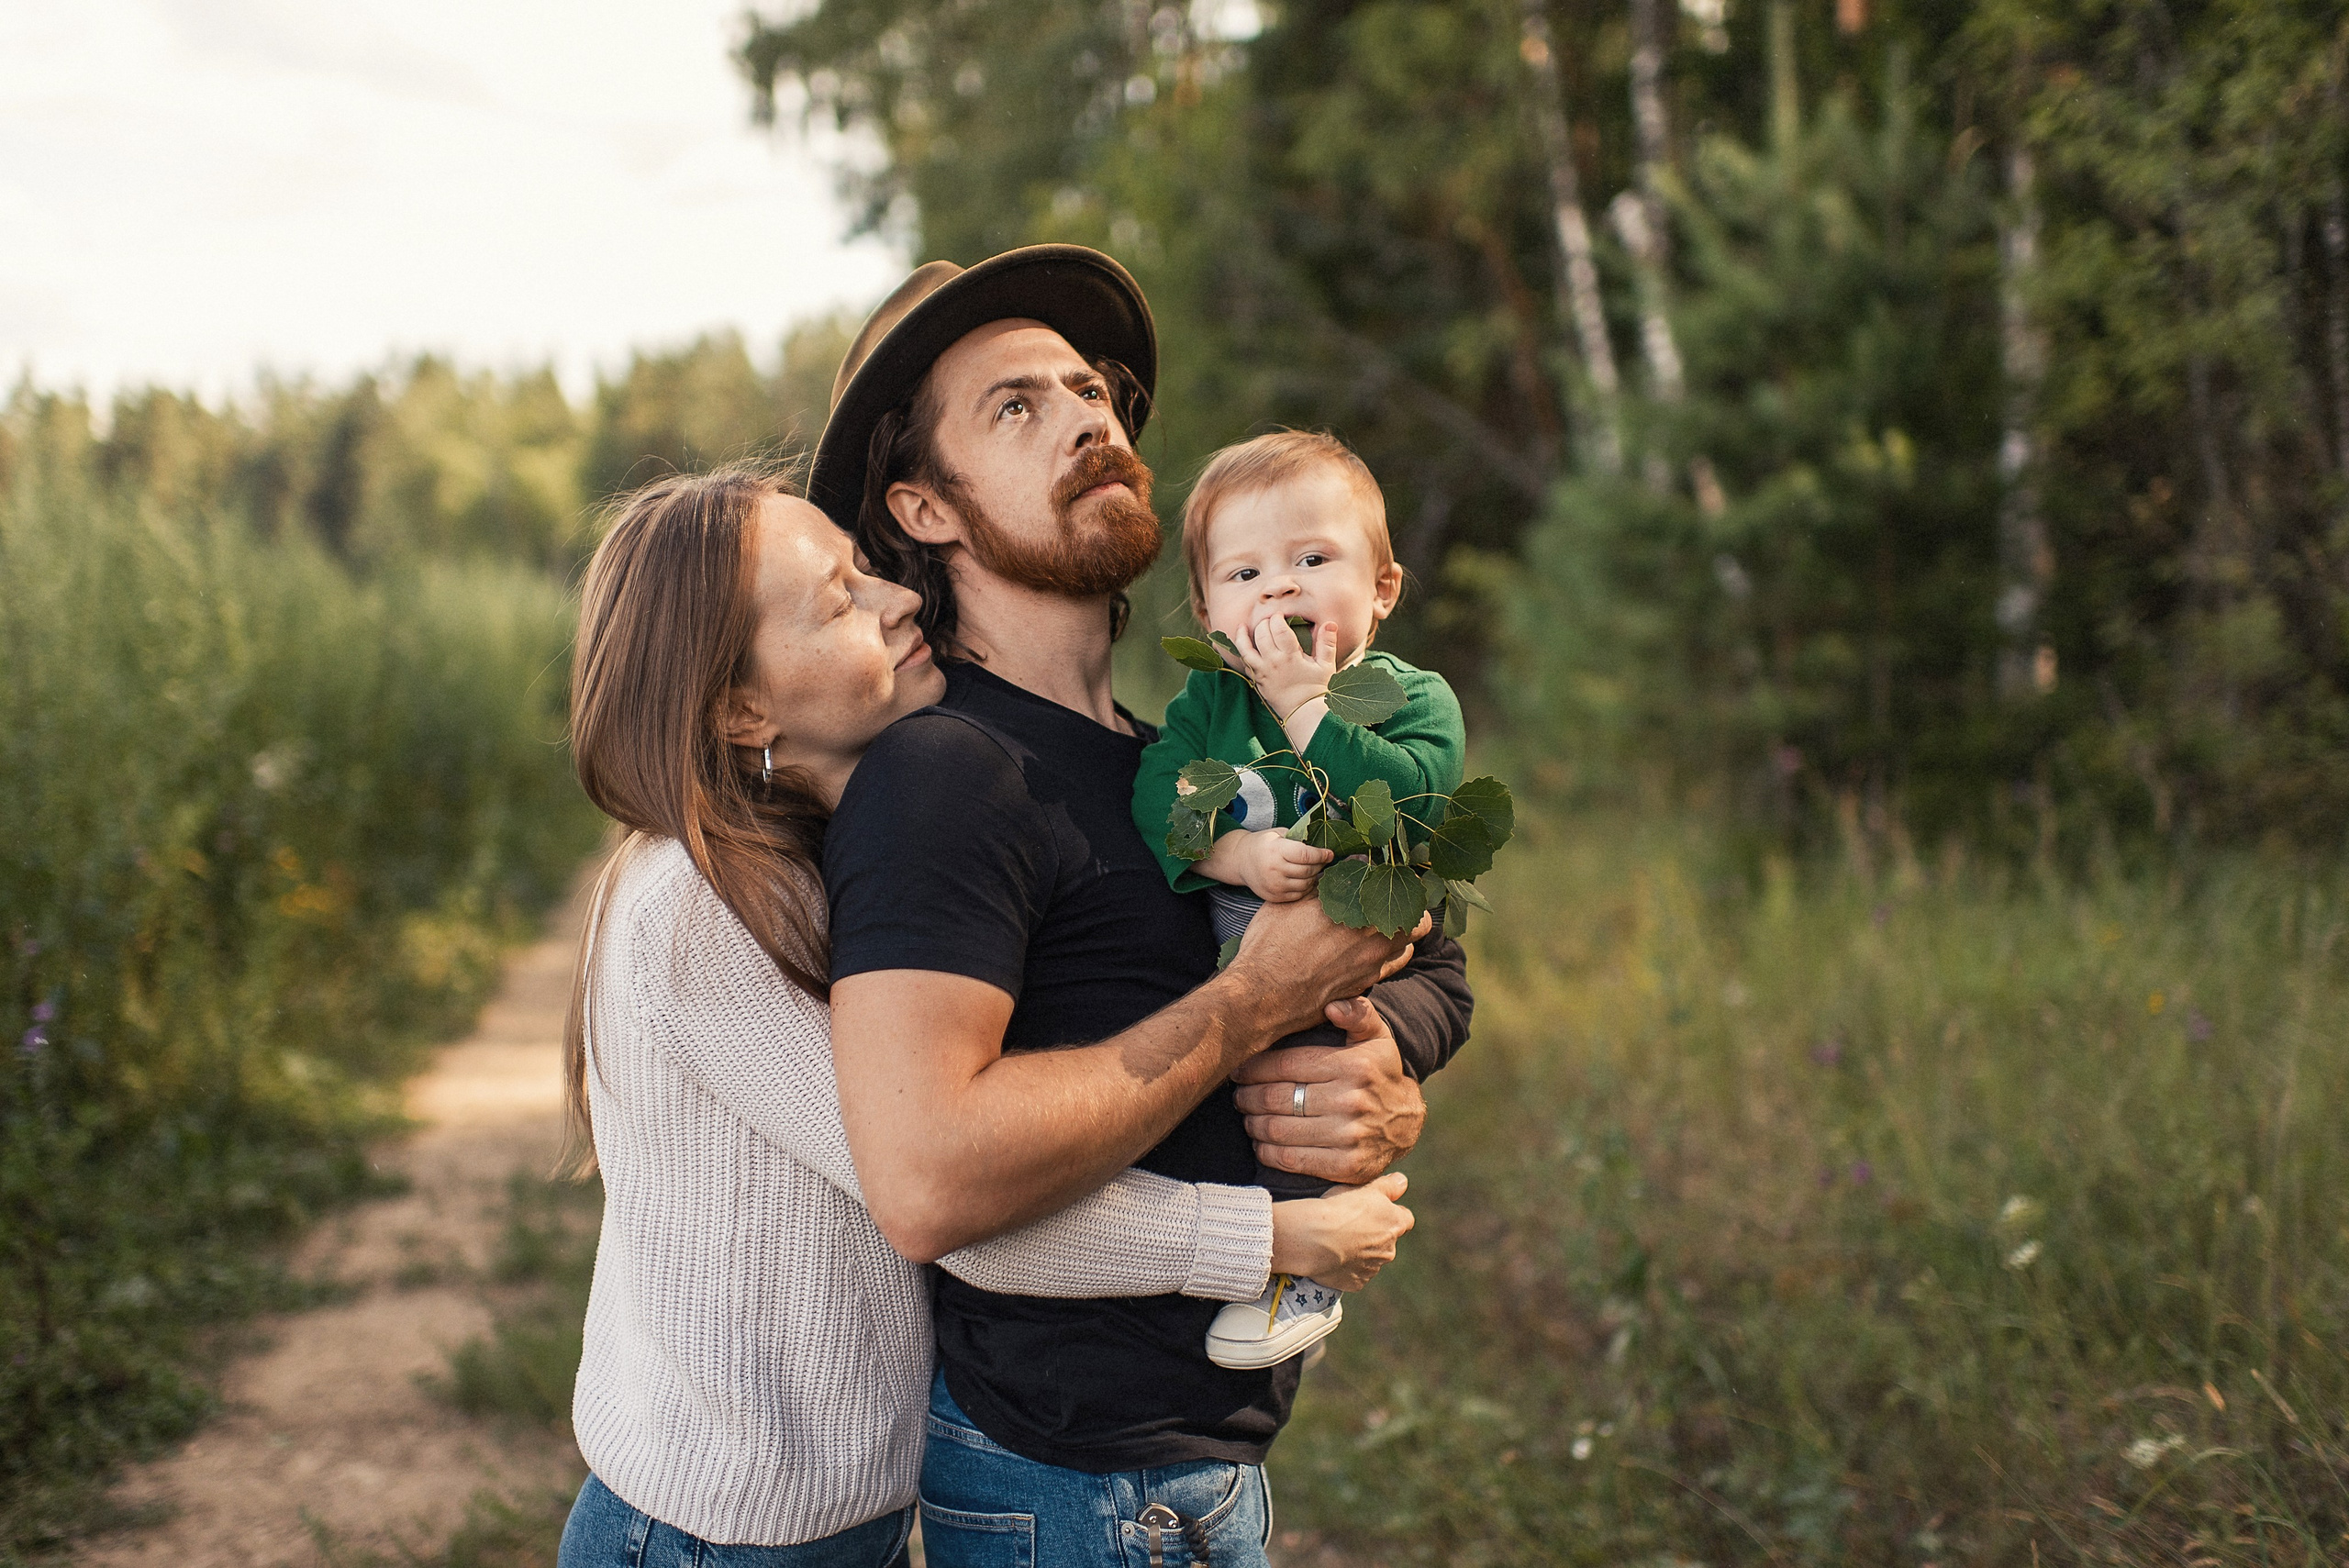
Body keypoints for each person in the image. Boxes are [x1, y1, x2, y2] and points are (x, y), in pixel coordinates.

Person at [553, 468, 1422, 1567]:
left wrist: (1372, 1054)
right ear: (741, 707)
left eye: (867, 569)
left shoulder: (830, 858)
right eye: (839, 599)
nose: (898, 599)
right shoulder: (693, 908)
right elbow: (957, 1203)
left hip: (837, 1517)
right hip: (707, 1532)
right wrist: (1268, 1236)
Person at [808, 244, 1475, 1567]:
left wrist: (1387, 1055)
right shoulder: (944, 779)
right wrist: (1251, 1006)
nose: (1088, 415)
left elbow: (1418, 942)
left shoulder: (1175, 753)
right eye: (1018, 406)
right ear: (925, 510)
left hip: (1188, 1476)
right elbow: (927, 1178)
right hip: (1074, 1485)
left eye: (1089, 389)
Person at [1130, 428, 1468, 1371]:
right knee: (1226, 1098)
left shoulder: (1414, 698)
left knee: (1316, 1083)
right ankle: (1261, 1257)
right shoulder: (1206, 704)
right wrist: (1232, 851)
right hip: (1233, 938)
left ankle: (1301, 1273)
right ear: (1206, 610)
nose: (1276, 587)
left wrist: (1307, 708)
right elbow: (1157, 794)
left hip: (1349, 948)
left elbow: (1410, 794)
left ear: (1381, 589)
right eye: (1243, 573)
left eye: (1311, 559)